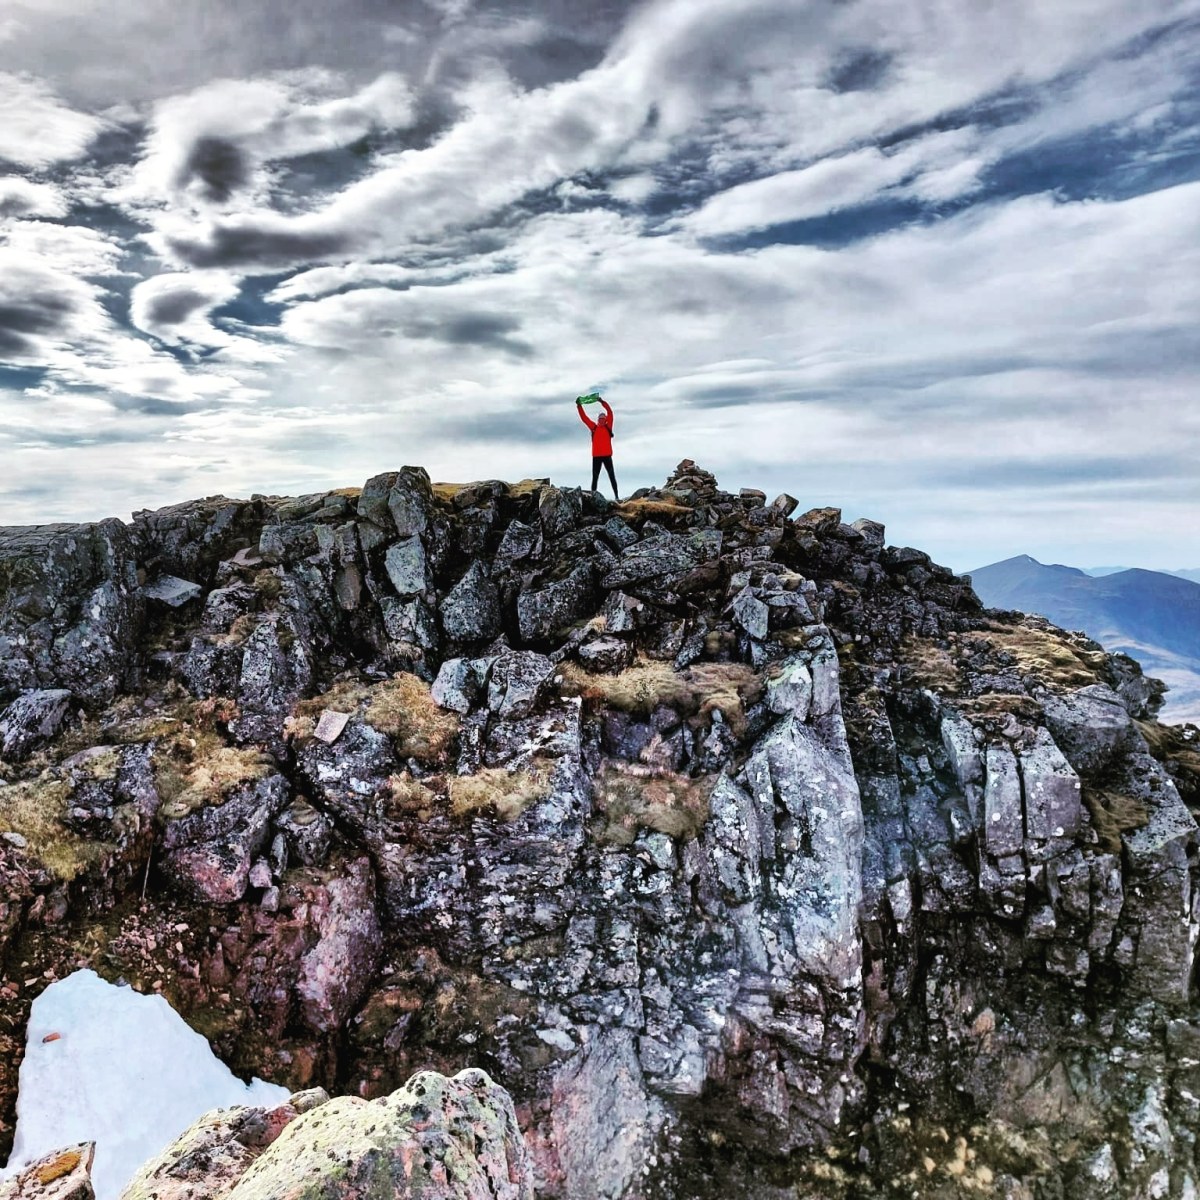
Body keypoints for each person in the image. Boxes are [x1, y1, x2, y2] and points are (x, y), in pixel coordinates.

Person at [576, 394, 619, 499]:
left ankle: (617, 497)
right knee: (595, 478)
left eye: (604, 418)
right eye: (600, 418)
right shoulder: (594, 427)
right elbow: (584, 418)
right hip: (597, 457)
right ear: (598, 419)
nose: (602, 419)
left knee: (611, 477)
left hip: (606, 456)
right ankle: (593, 498)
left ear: (606, 419)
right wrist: (579, 406)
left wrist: (602, 402)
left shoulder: (608, 427)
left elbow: (610, 412)